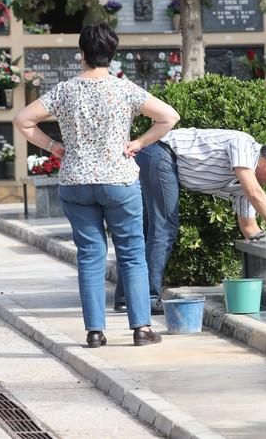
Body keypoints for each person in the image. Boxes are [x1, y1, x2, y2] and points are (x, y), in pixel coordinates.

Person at [13, 23, 180, 348]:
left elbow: (23, 120)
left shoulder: (65, 90)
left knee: (90, 255)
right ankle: (142, 328)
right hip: (118, 179)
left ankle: (94, 331)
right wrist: (139, 143)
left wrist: (52, 147)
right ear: (112, 54)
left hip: (76, 181)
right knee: (132, 253)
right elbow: (169, 116)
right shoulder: (124, 89)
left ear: (82, 54)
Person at [114, 128, 266, 315]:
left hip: (162, 162)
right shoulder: (243, 144)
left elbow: (250, 228)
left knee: (150, 230)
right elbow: (255, 193)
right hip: (161, 153)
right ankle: (146, 299)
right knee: (164, 229)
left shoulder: (245, 186)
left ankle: (125, 298)